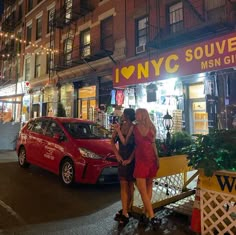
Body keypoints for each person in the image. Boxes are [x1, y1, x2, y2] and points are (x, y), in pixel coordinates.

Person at [114, 108, 160, 230]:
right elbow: (124, 142)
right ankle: (152, 216)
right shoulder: (133, 128)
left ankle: (146, 214)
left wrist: (157, 158)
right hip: (140, 160)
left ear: (143, 115)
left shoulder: (151, 127)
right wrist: (118, 131)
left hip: (150, 159)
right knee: (142, 189)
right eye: (135, 114)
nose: (135, 115)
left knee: (148, 186)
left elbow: (153, 144)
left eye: (137, 114)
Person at [111, 108, 136, 227]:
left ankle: (128, 208)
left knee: (130, 186)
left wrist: (130, 159)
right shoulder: (120, 126)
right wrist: (117, 155)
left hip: (131, 159)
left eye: (124, 114)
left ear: (127, 116)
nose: (122, 116)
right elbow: (112, 142)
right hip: (122, 159)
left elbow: (127, 143)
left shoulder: (133, 128)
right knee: (123, 185)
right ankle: (125, 212)